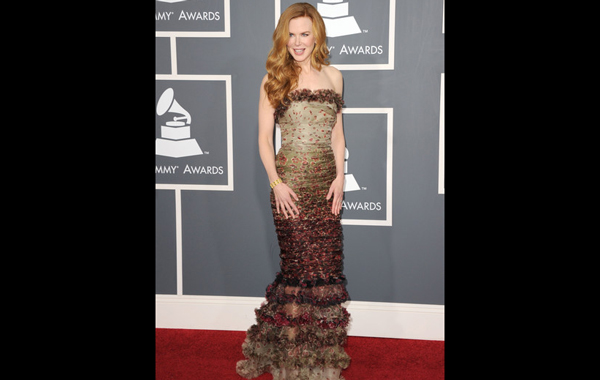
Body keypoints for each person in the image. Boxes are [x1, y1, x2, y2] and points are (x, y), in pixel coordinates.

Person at [236, 3, 351, 380]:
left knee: (326, 270)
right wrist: (276, 183)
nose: (298, 42)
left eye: (305, 33)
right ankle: (290, 362)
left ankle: (322, 361)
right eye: (292, 34)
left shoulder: (334, 76)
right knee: (298, 272)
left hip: (325, 187)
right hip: (290, 187)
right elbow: (264, 140)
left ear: (317, 35)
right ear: (282, 37)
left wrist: (340, 176)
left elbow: (337, 133)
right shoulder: (274, 78)